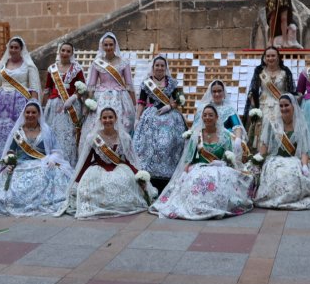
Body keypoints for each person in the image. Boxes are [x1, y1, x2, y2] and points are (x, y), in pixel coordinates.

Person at [150, 104, 253, 220]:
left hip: (219, 169)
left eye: (211, 115)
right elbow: (189, 158)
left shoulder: (224, 136)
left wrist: (222, 163)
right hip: (199, 168)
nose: (207, 117)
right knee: (197, 180)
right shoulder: (197, 135)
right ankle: (197, 206)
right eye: (205, 115)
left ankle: (213, 205)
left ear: (217, 117)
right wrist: (185, 172)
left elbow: (229, 158)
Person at [60, 107, 157, 219]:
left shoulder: (124, 137)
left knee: (124, 182)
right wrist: (76, 182)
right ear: (100, 120)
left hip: (119, 168)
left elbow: (127, 159)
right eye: (104, 118)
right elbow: (86, 161)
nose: (107, 120)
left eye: (110, 117)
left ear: (115, 119)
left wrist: (138, 176)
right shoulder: (93, 137)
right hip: (98, 170)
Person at [0, 100, 72, 216]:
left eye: (33, 112)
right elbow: (11, 150)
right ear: (24, 114)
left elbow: (56, 150)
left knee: (47, 176)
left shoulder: (46, 131)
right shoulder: (18, 132)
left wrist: (52, 159)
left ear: (39, 114)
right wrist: (10, 160)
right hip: (21, 165)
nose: (30, 115)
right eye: (28, 112)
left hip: (42, 164)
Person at [254, 94, 310, 210]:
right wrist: (257, 159)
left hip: (294, 160)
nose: (284, 108)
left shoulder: (301, 124)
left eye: (286, 105)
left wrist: (305, 166)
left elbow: (304, 150)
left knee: (294, 175)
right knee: (277, 174)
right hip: (275, 159)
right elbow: (265, 145)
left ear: (293, 106)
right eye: (281, 106)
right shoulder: (272, 123)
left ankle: (290, 198)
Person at [132, 55, 187, 190]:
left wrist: (170, 106)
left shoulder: (172, 83)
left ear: (165, 67)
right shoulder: (147, 83)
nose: (160, 68)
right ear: (153, 67)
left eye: (162, 65)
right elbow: (141, 102)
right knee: (148, 145)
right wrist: (137, 118)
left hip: (170, 116)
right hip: (151, 116)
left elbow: (179, 100)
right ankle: (149, 177)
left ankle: (169, 177)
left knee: (170, 142)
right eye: (157, 65)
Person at [0, 37, 41, 158]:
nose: (13, 50)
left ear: (21, 49)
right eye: (11, 47)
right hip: (0, 102)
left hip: (19, 103)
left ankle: (14, 153)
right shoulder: (2, 65)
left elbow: (34, 88)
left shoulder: (29, 66)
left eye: (16, 47)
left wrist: (34, 105)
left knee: (15, 128)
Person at [80, 33, 136, 158]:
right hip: (100, 97)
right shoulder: (97, 63)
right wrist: (88, 104)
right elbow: (91, 85)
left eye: (111, 44)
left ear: (115, 45)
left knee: (123, 124)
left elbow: (129, 84)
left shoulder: (124, 62)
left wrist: (134, 105)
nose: (109, 47)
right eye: (106, 45)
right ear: (102, 46)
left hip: (120, 96)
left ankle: (120, 155)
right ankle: (97, 155)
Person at [244, 46, 296, 147]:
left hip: (281, 105)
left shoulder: (285, 72)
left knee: (279, 126)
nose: (270, 58)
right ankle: (261, 154)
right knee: (262, 127)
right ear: (264, 57)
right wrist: (254, 105)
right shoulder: (259, 71)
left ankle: (281, 149)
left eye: (273, 56)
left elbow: (291, 91)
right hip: (263, 105)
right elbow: (254, 89)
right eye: (268, 56)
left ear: (278, 57)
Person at [43, 42, 85, 167]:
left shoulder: (76, 68)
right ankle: (52, 161)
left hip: (70, 106)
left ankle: (67, 162)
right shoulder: (52, 69)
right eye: (63, 50)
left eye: (68, 51)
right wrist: (42, 105)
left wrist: (73, 97)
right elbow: (48, 88)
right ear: (59, 52)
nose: (65, 53)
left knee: (68, 134)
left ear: (72, 53)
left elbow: (82, 88)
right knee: (53, 132)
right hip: (54, 105)